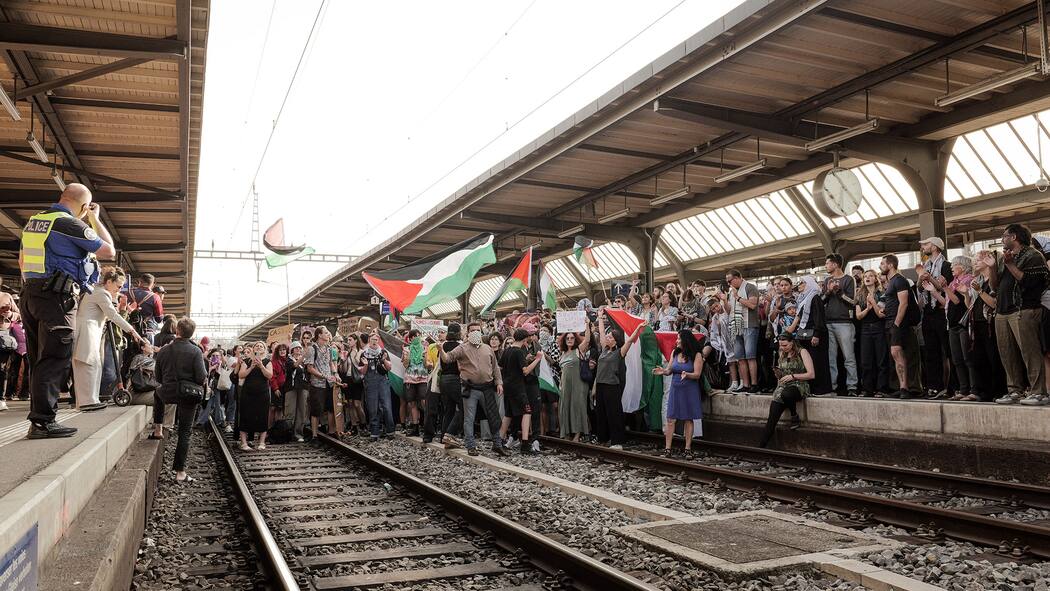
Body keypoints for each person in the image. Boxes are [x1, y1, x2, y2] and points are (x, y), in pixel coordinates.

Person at [20, 183, 116, 439]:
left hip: (31, 292)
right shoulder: (69, 224)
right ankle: (43, 422)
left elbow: (22, 261)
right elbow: (109, 250)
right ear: (84, 207)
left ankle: (40, 420)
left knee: (39, 358)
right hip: (55, 298)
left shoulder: (35, 222)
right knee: (54, 357)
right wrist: (95, 219)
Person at [984, 224, 1050, 405]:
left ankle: (1039, 392)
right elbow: (994, 286)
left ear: (1014, 237)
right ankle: (1014, 390)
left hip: (1023, 310)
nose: (1002, 239)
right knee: (1007, 353)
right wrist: (991, 268)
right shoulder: (1004, 257)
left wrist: (1010, 264)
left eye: (1004, 236)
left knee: (1030, 352)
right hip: (1003, 311)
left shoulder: (1033, 255)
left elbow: (1029, 282)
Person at [73, 266, 149, 410]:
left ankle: (90, 399)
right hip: (88, 332)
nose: (119, 290)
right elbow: (113, 315)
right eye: (118, 286)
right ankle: (87, 401)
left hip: (90, 332)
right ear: (109, 282)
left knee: (93, 365)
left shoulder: (97, 291)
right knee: (88, 365)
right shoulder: (101, 293)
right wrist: (132, 331)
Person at [151, 317, 206, 482]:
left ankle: (158, 429)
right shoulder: (196, 351)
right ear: (192, 333)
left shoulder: (164, 350)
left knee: (157, 394)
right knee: (184, 432)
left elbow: (158, 377)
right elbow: (201, 377)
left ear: (177, 331)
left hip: (168, 391)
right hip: (188, 394)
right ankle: (180, 472)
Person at [439, 322, 505, 456]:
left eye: (478, 330)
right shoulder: (462, 348)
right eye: (473, 330)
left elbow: (495, 367)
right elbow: (447, 359)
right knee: (469, 418)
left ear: (481, 332)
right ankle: (470, 445)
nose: (475, 332)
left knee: (493, 416)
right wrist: (441, 350)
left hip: (487, 388)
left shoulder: (487, 348)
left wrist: (499, 382)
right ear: (467, 333)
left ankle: (497, 444)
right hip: (470, 388)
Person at [929, 256, 978, 402]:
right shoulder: (953, 283)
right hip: (952, 324)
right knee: (956, 359)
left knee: (967, 358)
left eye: (954, 265)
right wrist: (934, 291)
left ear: (962, 267)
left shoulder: (968, 280)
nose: (951, 267)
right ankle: (963, 389)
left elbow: (957, 301)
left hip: (963, 324)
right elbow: (947, 303)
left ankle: (973, 389)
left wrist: (944, 287)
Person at [594, 309, 643, 449]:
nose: (607, 338)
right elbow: (601, 333)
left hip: (612, 386)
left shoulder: (619, 352)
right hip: (601, 385)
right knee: (601, 413)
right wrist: (599, 317)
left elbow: (631, 340)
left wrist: (638, 328)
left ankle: (617, 441)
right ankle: (602, 439)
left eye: (610, 337)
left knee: (614, 413)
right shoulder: (604, 350)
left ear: (616, 341)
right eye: (608, 337)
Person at [759, 333, 815, 448]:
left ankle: (794, 415)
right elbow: (782, 375)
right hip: (784, 384)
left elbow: (811, 374)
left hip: (799, 384)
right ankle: (761, 446)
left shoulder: (802, 352)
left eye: (785, 345)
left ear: (792, 342)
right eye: (781, 345)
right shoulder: (781, 353)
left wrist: (793, 376)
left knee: (786, 394)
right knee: (772, 416)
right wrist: (778, 375)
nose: (783, 348)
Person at [653, 330, 704, 452]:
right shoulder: (675, 353)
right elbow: (669, 370)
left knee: (688, 418)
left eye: (679, 338)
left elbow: (697, 374)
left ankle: (687, 448)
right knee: (671, 418)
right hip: (676, 388)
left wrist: (687, 374)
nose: (676, 341)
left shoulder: (696, 355)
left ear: (685, 340)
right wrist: (663, 371)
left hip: (689, 389)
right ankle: (668, 448)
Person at [880, 254, 922, 398]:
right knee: (896, 354)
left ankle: (905, 388)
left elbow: (904, 303)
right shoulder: (891, 282)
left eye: (882, 263)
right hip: (890, 322)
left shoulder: (899, 280)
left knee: (897, 352)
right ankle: (902, 386)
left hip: (898, 324)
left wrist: (896, 324)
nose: (880, 266)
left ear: (890, 265)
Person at [497, 328, 544, 455]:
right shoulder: (518, 352)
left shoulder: (507, 351)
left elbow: (500, 366)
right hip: (518, 387)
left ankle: (499, 441)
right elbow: (525, 371)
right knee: (527, 411)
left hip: (507, 386)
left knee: (509, 414)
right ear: (524, 340)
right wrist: (537, 359)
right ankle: (525, 443)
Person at [916, 237, 953, 399]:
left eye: (926, 244)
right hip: (928, 312)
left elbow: (943, 287)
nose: (923, 247)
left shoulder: (946, 266)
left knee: (948, 350)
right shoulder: (926, 265)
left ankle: (953, 386)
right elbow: (920, 287)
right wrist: (921, 277)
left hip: (941, 310)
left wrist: (928, 277)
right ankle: (934, 386)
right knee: (931, 351)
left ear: (936, 246)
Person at [823, 254, 859, 396]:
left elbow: (852, 302)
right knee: (831, 358)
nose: (826, 266)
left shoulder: (848, 279)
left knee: (848, 357)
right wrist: (828, 291)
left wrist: (838, 291)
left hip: (845, 323)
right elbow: (821, 300)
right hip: (829, 323)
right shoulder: (826, 280)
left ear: (835, 264)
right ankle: (832, 386)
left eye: (827, 263)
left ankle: (852, 387)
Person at [792, 276, 831, 395]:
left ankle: (822, 389)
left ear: (809, 284)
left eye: (802, 283)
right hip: (805, 335)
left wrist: (817, 334)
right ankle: (812, 387)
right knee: (809, 362)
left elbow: (819, 317)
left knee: (818, 362)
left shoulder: (815, 297)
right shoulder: (803, 298)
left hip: (815, 335)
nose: (799, 285)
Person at [722, 269, 760, 393]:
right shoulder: (731, 291)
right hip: (736, 326)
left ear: (738, 277)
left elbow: (753, 305)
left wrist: (738, 298)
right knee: (740, 358)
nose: (729, 283)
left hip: (749, 324)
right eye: (727, 281)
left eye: (730, 280)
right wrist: (724, 300)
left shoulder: (750, 287)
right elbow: (728, 311)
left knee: (750, 356)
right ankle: (746, 384)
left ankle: (754, 384)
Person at [305, 327, 343, 438]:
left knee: (331, 408)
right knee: (316, 410)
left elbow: (331, 363)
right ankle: (314, 435)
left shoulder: (330, 348)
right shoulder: (312, 349)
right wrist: (323, 376)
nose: (328, 334)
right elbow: (310, 368)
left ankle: (331, 431)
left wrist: (335, 374)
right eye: (326, 333)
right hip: (317, 384)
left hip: (329, 383)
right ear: (319, 335)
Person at [855, 270, 889, 397]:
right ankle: (867, 389)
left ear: (876, 279)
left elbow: (881, 314)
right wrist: (867, 308)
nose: (867, 278)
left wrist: (873, 303)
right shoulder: (860, 295)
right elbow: (858, 316)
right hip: (865, 329)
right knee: (866, 361)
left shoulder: (882, 293)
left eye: (870, 276)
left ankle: (882, 389)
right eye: (865, 276)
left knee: (881, 359)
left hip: (879, 327)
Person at [557, 325, 591, 442]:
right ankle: (566, 433)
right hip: (565, 385)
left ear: (575, 339)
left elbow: (587, 340)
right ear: (564, 340)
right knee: (565, 406)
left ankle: (577, 434)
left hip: (579, 384)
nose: (570, 340)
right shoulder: (563, 353)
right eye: (567, 338)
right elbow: (562, 371)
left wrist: (587, 324)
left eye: (572, 338)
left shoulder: (579, 350)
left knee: (578, 406)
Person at [359, 332, 395, 440]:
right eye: (373, 339)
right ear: (369, 340)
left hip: (382, 381)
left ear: (379, 341)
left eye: (376, 339)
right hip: (370, 382)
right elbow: (362, 372)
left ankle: (390, 431)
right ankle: (374, 433)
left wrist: (384, 360)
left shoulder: (383, 352)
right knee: (372, 408)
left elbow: (389, 368)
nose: (375, 341)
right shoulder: (364, 354)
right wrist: (365, 365)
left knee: (387, 407)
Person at [237, 341, 273, 450]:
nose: (259, 347)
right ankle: (243, 443)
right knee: (245, 416)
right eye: (257, 346)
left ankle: (262, 442)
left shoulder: (267, 361)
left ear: (264, 349)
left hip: (262, 393)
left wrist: (261, 366)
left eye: (261, 346)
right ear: (253, 349)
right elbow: (241, 375)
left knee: (262, 416)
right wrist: (251, 367)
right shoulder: (247, 361)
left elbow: (269, 375)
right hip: (247, 392)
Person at [400, 329, 427, 436]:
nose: (418, 338)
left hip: (422, 379)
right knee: (412, 403)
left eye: (419, 335)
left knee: (424, 401)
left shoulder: (425, 349)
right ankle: (415, 427)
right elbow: (405, 365)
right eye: (416, 336)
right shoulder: (406, 349)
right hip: (410, 379)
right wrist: (407, 355)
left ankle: (427, 423)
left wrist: (425, 357)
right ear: (411, 338)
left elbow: (426, 365)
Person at [283, 341, 310, 442]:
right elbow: (294, 366)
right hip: (291, 388)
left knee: (301, 411)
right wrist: (303, 357)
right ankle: (288, 433)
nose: (298, 349)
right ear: (292, 350)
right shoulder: (288, 360)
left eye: (300, 348)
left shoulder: (305, 360)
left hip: (303, 387)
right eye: (296, 348)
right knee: (290, 411)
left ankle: (298, 434)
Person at [127, 273, 164, 344]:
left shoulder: (128, 293)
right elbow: (159, 318)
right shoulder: (155, 297)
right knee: (147, 354)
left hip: (130, 330)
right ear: (152, 284)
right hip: (147, 331)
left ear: (140, 282)